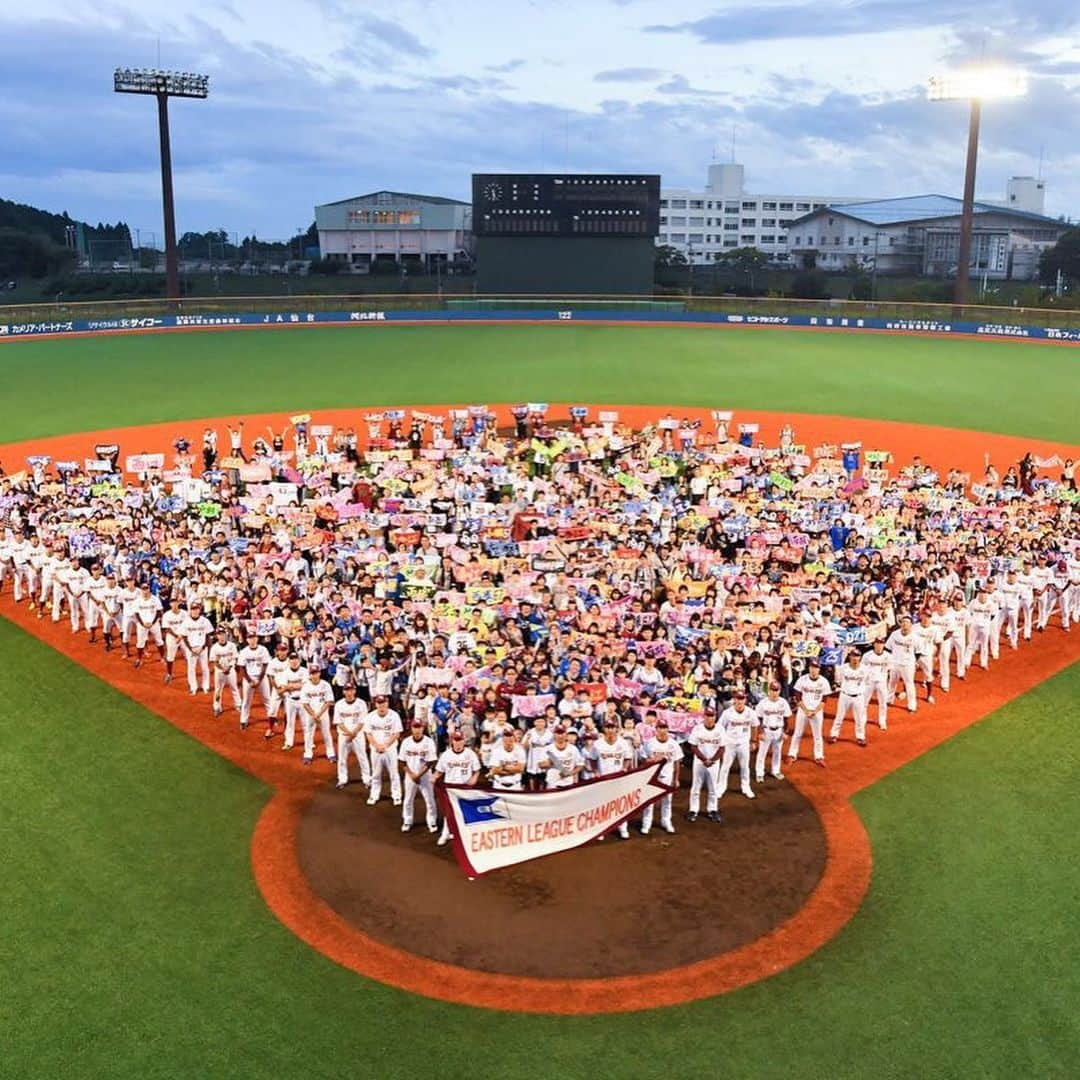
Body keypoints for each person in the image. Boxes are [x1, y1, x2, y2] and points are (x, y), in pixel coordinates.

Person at [434, 729, 482, 846]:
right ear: (452, 741)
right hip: (450, 789)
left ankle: (464, 835)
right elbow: (439, 771)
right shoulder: (446, 755)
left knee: (466, 812)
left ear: (464, 741)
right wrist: (434, 777)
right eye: (456, 740)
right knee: (449, 812)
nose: (458, 743)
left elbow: (477, 770)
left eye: (460, 740)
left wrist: (474, 779)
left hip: (465, 788)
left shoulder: (470, 754)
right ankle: (445, 833)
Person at [588, 719, 634, 839]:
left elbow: (628, 757)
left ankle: (622, 827)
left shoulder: (623, 743)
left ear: (616, 729)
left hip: (619, 778)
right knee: (602, 804)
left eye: (612, 727)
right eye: (607, 727)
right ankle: (601, 829)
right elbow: (592, 759)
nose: (610, 730)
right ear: (604, 729)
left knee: (621, 803)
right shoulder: (597, 744)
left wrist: (624, 768)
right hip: (603, 779)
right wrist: (595, 771)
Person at [640, 715, 680, 835]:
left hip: (668, 776)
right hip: (653, 776)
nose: (662, 730)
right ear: (656, 729)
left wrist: (676, 779)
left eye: (664, 727)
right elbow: (643, 760)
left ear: (667, 729)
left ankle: (666, 821)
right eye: (660, 728)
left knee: (667, 800)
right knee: (650, 800)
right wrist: (653, 760)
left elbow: (677, 762)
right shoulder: (649, 743)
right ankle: (647, 823)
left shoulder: (674, 744)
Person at [716, 689, 758, 802]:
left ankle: (746, 787)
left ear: (745, 699)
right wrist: (721, 742)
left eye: (742, 699)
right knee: (725, 766)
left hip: (744, 743)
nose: (739, 701)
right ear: (734, 700)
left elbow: (755, 726)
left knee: (745, 767)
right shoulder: (727, 713)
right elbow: (720, 728)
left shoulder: (750, 712)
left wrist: (754, 741)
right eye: (737, 699)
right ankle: (721, 787)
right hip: (729, 743)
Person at [399, 719, 438, 833]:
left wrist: (419, 775)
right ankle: (407, 820)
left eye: (419, 727)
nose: (417, 730)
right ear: (411, 728)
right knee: (408, 800)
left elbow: (431, 762)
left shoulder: (429, 742)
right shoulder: (406, 742)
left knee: (430, 800)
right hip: (410, 775)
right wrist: (412, 775)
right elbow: (402, 761)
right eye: (415, 727)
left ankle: (432, 821)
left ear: (423, 728)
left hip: (425, 776)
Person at [789, 658, 831, 766]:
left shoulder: (824, 682)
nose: (813, 670)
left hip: (817, 712)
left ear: (819, 669)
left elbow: (824, 701)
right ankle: (792, 754)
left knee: (817, 736)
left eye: (816, 668)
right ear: (809, 668)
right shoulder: (802, 680)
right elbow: (797, 698)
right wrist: (806, 710)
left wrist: (814, 711)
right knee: (797, 733)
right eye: (812, 667)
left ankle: (819, 756)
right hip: (803, 711)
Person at [366, 695, 404, 805]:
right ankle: (374, 795)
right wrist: (377, 745)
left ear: (387, 703)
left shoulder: (394, 716)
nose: (381, 705)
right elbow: (368, 734)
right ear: (376, 704)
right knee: (376, 774)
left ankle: (396, 795)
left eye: (383, 703)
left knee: (394, 773)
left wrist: (385, 745)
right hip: (375, 749)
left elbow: (396, 733)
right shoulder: (370, 716)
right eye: (379, 703)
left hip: (390, 749)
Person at [334, 683, 370, 789]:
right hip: (344, 734)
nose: (349, 692)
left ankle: (367, 779)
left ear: (354, 691)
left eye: (351, 690)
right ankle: (342, 779)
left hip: (358, 735)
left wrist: (353, 733)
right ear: (343, 692)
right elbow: (338, 722)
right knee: (342, 758)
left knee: (362, 757)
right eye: (347, 690)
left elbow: (363, 721)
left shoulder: (361, 703)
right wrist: (349, 733)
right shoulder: (339, 704)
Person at [754, 681, 792, 783]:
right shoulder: (763, 703)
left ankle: (775, 771)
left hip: (779, 731)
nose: (774, 692)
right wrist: (760, 732)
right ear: (769, 691)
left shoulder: (783, 702)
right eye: (772, 690)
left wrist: (785, 732)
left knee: (777, 752)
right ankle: (759, 773)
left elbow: (787, 719)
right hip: (766, 730)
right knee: (762, 753)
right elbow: (758, 718)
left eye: (776, 690)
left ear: (779, 691)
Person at [830, 649, 869, 746]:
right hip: (845, 695)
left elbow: (868, 682)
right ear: (850, 657)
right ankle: (834, 734)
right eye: (853, 656)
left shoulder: (865, 669)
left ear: (860, 658)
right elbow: (837, 680)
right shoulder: (843, 668)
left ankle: (860, 737)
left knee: (859, 719)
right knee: (839, 717)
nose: (855, 658)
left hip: (859, 696)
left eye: (857, 656)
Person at [299, 665, 335, 765]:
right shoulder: (306, 686)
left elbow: (328, 702)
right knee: (308, 734)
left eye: (316, 673)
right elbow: (305, 703)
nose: (314, 675)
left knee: (326, 733)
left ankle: (330, 753)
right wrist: (314, 715)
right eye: (312, 673)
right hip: (310, 713)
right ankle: (308, 754)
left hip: (323, 713)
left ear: (319, 673)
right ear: (309, 675)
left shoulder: (325, 685)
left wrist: (319, 714)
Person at [236, 632, 272, 730]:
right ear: (247, 640)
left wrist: (259, 680)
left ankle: (272, 718)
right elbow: (242, 668)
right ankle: (243, 721)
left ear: (257, 639)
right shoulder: (244, 652)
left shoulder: (263, 650)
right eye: (250, 638)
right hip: (248, 678)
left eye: (254, 637)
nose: (252, 640)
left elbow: (265, 665)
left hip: (262, 677)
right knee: (246, 701)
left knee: (267, 699)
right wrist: (249, 681)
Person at [885, 615, 918, 713]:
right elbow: (888, 647)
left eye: (907, 622)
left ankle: (912, 706)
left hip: (907, 664)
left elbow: (919, 651)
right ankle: (889, 700)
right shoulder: (895, 634)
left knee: (909, 684)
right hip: (894, 662)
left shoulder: (915, 637)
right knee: (892, 682)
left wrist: (915, 661)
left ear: (911, 624)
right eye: (903, 622)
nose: (904, 624)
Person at [181, 600, 213, 696]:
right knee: (191, 668)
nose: (195, 611)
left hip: (202, 648)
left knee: (205, 668)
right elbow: (184, 636)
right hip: (191, 649)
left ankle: (206, 686)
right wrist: (190, 649)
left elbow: (208, 636)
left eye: (196, 609)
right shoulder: (186, 622)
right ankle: (193, 687)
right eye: (193, 609)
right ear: (190, 610)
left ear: (200, 610)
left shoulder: (205, 621)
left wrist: (204, 647)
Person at [539, 723, 585, 791]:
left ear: (566, 734)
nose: (560, 736)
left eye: (562, 733)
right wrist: (548, 763)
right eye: (558, 733)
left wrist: (570, 773)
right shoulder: (548, 749)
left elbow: (580, 765)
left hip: (568, 784)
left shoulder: (573, 748)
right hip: (552, 784)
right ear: (554, 734)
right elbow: (540, 765)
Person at [209, 626, 241, 717]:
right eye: (219, 634)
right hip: (219, 671)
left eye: (222, 634)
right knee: (218, 689)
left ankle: (238, 705)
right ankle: (217, 707)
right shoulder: (214, 647)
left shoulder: (232, 645)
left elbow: (235, 658)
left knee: (234, 687)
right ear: (217, 636)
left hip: (231, 670)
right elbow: (214, 661)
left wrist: (229, 667)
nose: (221, 636)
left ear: (226, 635)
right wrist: (222, 669)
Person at [488, 725, 527, 793]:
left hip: (515, 786)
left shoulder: (520, 750)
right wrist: (513, 770)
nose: (508, 743)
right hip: (499, 786)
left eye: (511, 740)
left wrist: (503, 767)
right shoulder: (496, 751)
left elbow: (521, 769)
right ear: (502, 741)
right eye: (506, 740)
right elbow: (495, 770)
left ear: (514, 740)